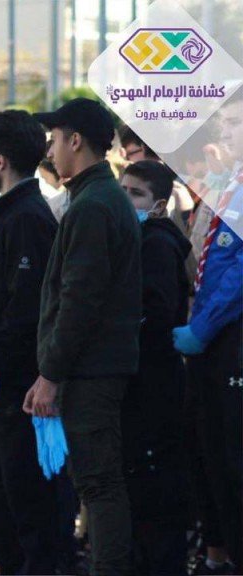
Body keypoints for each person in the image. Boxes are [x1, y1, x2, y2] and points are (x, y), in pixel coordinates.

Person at [28, 97, 141, 575]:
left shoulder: (94, 205)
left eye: (54, 139)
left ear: (75, 141)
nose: (50, 150)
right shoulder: (92, 199)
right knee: (95, 484)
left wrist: (50, 374)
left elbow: (80, 300)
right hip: (91, 366)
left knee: (99, 484)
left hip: (92, 370)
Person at [0, 110, 62, 574]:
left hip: (16, 390)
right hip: (0, 390)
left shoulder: (27, 219)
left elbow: (23, 309)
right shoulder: (5, 215)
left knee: (27, 510)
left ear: (0, 161)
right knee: (3, 505)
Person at [174, 94, 243, 574]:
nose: (228, 133)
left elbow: (239, 273)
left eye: (237, 123)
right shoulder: (231, 186)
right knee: (212, 456)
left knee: (234, 460)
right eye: (228, 123)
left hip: (230, 339)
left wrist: (202, 326)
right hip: (215, 340)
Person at [119, 160, 191, 574]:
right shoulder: (139, 240)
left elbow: (155, 314)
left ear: (160, 205)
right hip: (143, 380)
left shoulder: (157, 245)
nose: (126, 200)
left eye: (137, 194)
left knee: (155, 492)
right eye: (123, 191)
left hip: (154, 383)